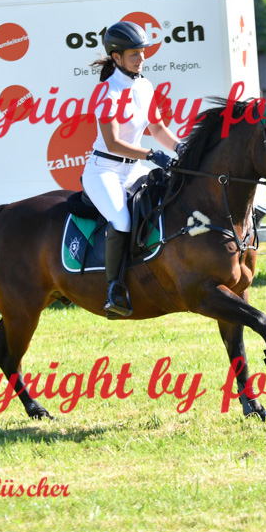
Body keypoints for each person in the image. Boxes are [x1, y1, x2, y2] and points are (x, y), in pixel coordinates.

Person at [82, 20, 182, 319]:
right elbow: (113, 143)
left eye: (142, 52)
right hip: (104, 170)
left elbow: (158, 128)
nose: (142, 58)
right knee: (122, 221)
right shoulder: (106, 92)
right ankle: (114, 290)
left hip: (133, 168)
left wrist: (181, 148)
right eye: (134, 54)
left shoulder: (144, 85)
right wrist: (152, 154)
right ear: (117, 57)